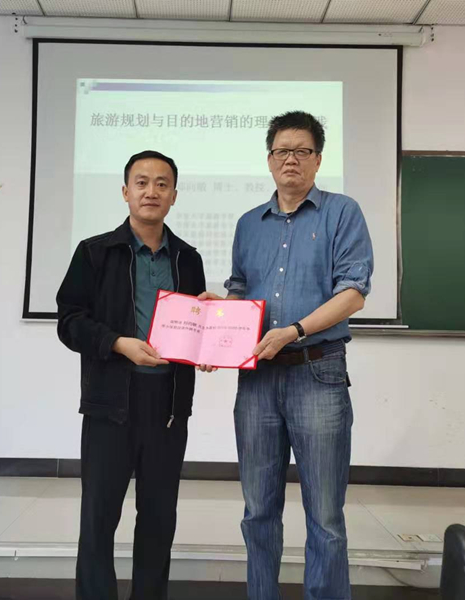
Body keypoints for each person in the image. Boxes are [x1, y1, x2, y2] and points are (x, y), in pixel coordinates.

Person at [199, 111, 374, 599]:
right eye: (282, 151)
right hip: (257, 379)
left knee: (325, 515)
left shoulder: (343, 213)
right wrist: (219, 320)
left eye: (302, 151)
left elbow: (353, 294)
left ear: (318, 159)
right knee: (258, 510)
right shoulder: (247, 224)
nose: (290, 159)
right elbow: (240, 290)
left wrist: (293, 331)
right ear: (269, 159)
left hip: (318, 372)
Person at [57, 150, 206, 600]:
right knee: (99, 518)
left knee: (159, 519)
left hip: (168, 407)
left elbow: (194, 326)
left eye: (162, 183)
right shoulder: (95, 252)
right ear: (126, 192)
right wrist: (118, 343)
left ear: (174, 195)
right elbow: (69, 322)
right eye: (141, 182)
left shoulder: (188, 258)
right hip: (110, 404)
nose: (151, 191)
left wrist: (209, 344)